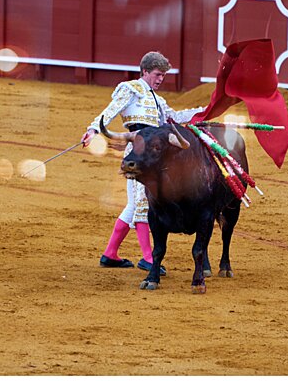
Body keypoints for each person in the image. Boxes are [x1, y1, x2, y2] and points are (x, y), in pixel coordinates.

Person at [81, 52, 205, 272]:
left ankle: (110, 254)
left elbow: (174, 118)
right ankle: (148, 258)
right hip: (138, 150)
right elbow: (109, 112)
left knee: (134, 204)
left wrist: (203, 112)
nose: (160, 79)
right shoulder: (130, 89)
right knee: (143, 202)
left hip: (154, 153)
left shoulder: (158, 99)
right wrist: (92, 130)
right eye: (157, 74)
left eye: (163, 76)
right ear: (145, 71)